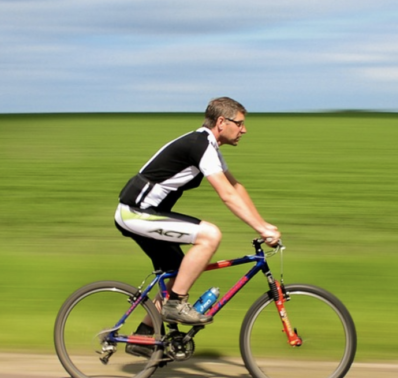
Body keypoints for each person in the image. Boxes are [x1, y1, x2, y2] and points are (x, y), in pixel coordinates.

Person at [114, 97, 281, 354]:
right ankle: (176, 304)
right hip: (136, 213)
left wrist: (264, 223)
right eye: (240, 124)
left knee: (179, 274)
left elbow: (236, 188)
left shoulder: (209, 147)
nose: (244, 130)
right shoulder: (201, 145)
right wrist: (261, 230)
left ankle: (143, 339)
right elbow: (226, 194)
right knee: (210, 235)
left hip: (146, 214)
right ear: (222, 122)